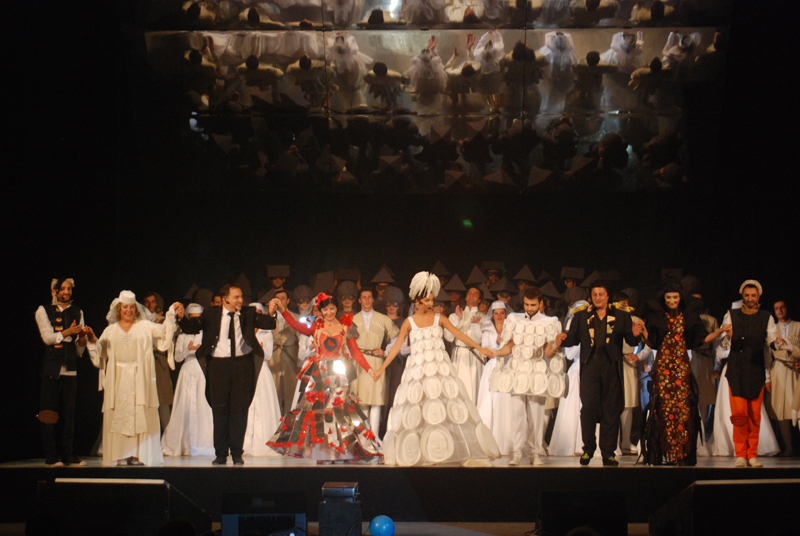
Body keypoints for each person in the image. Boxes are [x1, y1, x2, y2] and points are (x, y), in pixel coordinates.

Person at [375, 272, 499, 466]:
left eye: (432, 300)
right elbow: (397, 346)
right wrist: (381, 368)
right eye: (427, 300)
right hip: (418, 370)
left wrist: (480, 348)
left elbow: (459, 334)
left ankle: (444, 451)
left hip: (439, 369)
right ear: (417, 300)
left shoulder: (439, 318)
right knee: (418, 411)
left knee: (443, 409)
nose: (431, 303)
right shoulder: (409, 322)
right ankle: (420, 452)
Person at [266, 293, 382, 462]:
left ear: (336, 309)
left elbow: (355, 352)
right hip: (319, 373)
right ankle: (321, 453)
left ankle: (339, 451)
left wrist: (370, 370)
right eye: (325, 310)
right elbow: (295, 325)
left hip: (338, 372)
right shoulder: (316, 326)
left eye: (332, 309)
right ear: (320, 311)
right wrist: (283, 310)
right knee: (317, 412)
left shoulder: (346, 326)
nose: (329, 313)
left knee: (337, 412)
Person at [173, 284, 277, 465]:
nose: (240, 300)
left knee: (239, 410)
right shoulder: (211, 314)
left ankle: (237, 453)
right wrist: (181, 317)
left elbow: (267, 323)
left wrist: (272, 313)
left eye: (241, 297)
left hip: (241, 365)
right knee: (219, 410)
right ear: (225, 299)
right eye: (236, 297)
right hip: (218, 366)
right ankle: (220, 453)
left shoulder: (248, 313)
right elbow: (191, 327)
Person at [558, 280, 643, 466]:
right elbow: (573, 338)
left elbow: (630, 339)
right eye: (594, 294)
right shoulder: (581, 316)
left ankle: (608, 453)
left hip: (611, 367)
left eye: (601, 294)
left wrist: (636, 334)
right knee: (588, 408)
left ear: (608, 296)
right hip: (590, 367)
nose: (598, 298)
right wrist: (563, 338)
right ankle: (588, 449)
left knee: (611, 410)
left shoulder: (620, 315)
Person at [88, 291, 176, 466]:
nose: (128, 310)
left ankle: (138, 454)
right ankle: (120, 454)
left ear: (135, 309)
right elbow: (100, 352)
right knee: (120, 416)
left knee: (138, 415)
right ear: (119, 309)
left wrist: (172, 314)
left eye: (131, 307)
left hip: (139, 378)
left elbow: (164, 333)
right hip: (118, 379)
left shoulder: (144, 326)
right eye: (125, 307)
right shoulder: (110, 330)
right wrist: (91, 339)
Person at [640, 283, 713, 465]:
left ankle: (682, 452)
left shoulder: (687, 316)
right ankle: (664, 451)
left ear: (680, 298)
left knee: (683, 408)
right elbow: (652, 342)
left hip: (681, 367)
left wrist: (719, 332)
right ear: (664, 299)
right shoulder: (658, 316)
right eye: (668, 298)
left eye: (675, 297)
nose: (672, 301)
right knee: (664, 408)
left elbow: (701, 339)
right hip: (664, 367)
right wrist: (643, 332)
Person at [493, 288, 565, 465]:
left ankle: (535, 453)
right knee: (516, 415)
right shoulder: (514, 319)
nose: (529, 308)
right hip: (517, 372)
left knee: (536, 416)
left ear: (540, 303)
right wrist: (495, 352)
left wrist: (555, 345)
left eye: (533, 305)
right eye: (526, 304)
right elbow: (509, 347)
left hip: (537, 373)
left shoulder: (549, 322)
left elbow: (548, 353)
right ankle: (516, 452)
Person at [713, 280, 777, 467]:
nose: (750, 299)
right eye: (747, 295)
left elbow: (768, 348)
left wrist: (768, 376)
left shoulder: (766, 317)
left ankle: (752, 454)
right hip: (737, 370)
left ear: (758, 296)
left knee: (755, 415)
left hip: (756, 369)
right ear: (742, 296)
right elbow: (722, 346)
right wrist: (727, 339)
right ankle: (741, 454)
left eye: (753, 295)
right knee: (739, 416)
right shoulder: (731, 315)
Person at [35, 278, 89, 467]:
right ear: (55, 291)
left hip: (70, 369)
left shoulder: (77, 311)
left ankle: (68, 455)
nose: (66, 292)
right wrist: (67, 332)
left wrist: (83, 337)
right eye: (63, 289)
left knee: (69, 415)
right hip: (52, 368)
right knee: (49, 413)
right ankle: (51, 456)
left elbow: (79, 347)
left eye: (69, 289)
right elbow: (48, 338)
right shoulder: (43, 310)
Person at [161, 303, 214, 457]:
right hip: (187, 371)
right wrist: (188, 349)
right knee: (184, 406)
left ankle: (203, 443)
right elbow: (177, 358)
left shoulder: (206, 335)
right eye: (192, 318)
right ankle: (183, 443)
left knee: (203, 406)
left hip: (202, 372)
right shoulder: (183, 336)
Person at [351, 287, 400, 433]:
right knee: (362, 402)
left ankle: (375, 436)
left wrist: (386, 352)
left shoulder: (383, 319)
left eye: (369, 297)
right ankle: (364, 436)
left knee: (376, 402)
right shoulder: (352, 319)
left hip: (377, 362)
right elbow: (347, 343)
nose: (366, 300)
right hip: (359, 362)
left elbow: (397, 338)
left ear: (373, 299)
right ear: (359, 300)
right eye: (364, 297)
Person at [477, 301, 515, 456]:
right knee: (489, 400)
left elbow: (514, 348)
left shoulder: (511, 329)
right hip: (492, 366)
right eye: (496, 313)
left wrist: (503, 345)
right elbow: (485, 348)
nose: (499, 316)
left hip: (508, 365)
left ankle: (507, 439)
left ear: (505, 314)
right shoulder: (487, 330)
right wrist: (497, 345)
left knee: (505, 401)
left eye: (502, 313)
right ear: (492, 315)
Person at [445, 284, 485, 404]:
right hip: (459, 354)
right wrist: (458, 320)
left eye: (475, 294)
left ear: (479, 300)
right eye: (470, 293)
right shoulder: (454, 316)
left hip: (475, 355)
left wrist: (475, 326)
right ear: (466, 297)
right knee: (458, 388)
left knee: (474, 388)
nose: (472, 295)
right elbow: (448, 337)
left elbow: (482, 340)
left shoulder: (484, 317)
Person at [769, 300, 798, 456]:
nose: (779, 310)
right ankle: (788, 447)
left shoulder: (798, 326)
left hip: (796, 370)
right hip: (779, 369)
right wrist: (767, 378)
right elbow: (767, 353)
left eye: (782, 307)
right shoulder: (772, 329)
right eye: (776, 308)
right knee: (780, 409)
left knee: (796, 406)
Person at [143, 291, 173, 431]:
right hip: (144, 363)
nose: (150, 305)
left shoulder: (162, 320)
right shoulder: (139, 321)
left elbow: (170, 339)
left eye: (153, 302)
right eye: (147, 302)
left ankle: (167, 437)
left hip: (159, 363)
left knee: (163, 402)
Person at [269, 289, 301, 414]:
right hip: (273, 357)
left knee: (290, 391)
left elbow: (301, 340)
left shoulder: (296, 318)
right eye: (277, 299)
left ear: (287, 301)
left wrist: (299, 362)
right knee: (274, 391)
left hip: (290, 356)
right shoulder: (269, 317)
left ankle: (289, 418)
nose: (280, 301)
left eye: (282, 298)